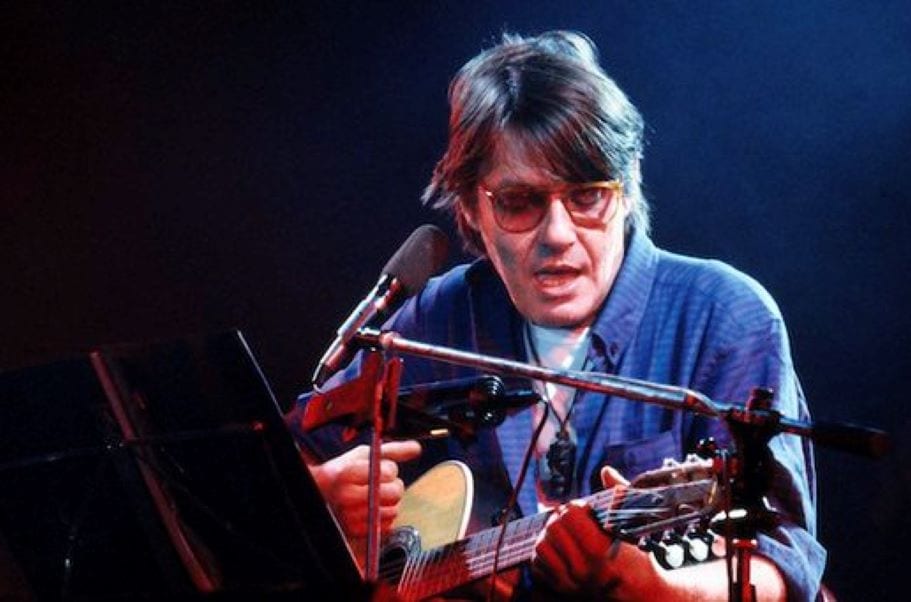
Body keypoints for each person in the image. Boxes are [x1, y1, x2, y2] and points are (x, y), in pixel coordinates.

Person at [289, 30, 825, 601]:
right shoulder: (434, 320)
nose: (558, 234)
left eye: (587, 196)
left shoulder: (723, 316)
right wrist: (316, 501)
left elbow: (780, 565)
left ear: (628, 186)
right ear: (471, 207)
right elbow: (274, 463)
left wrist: (654, 590)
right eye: (519, 203)